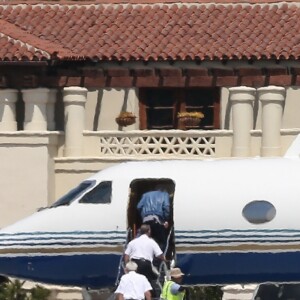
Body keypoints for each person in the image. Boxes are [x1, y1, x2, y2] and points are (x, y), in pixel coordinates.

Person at [137, 185, 170, 251]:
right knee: (161, 241)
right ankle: (159, 258)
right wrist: (166, 219)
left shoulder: (145, 195)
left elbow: (139, 207)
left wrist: (143, 216)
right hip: (157, 220)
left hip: (146, 221)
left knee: (142, 239)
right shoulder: (164, 194)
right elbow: (166, 207)